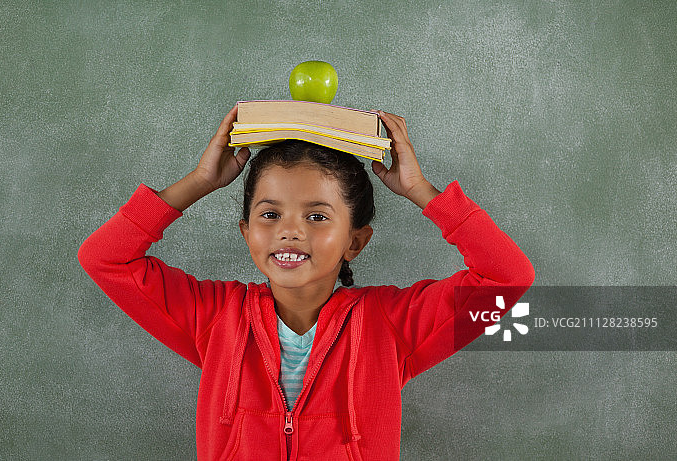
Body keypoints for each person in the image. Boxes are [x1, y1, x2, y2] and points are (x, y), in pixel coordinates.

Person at [78, 104, 534, 460]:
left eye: (317, 216)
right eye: (270, 214)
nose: (289, 230)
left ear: (355, 242)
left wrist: (421, 191)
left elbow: (507, 278)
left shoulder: (392, 326)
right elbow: (105, 258)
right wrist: (198, 182)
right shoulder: (214, 319)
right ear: (247, 232)